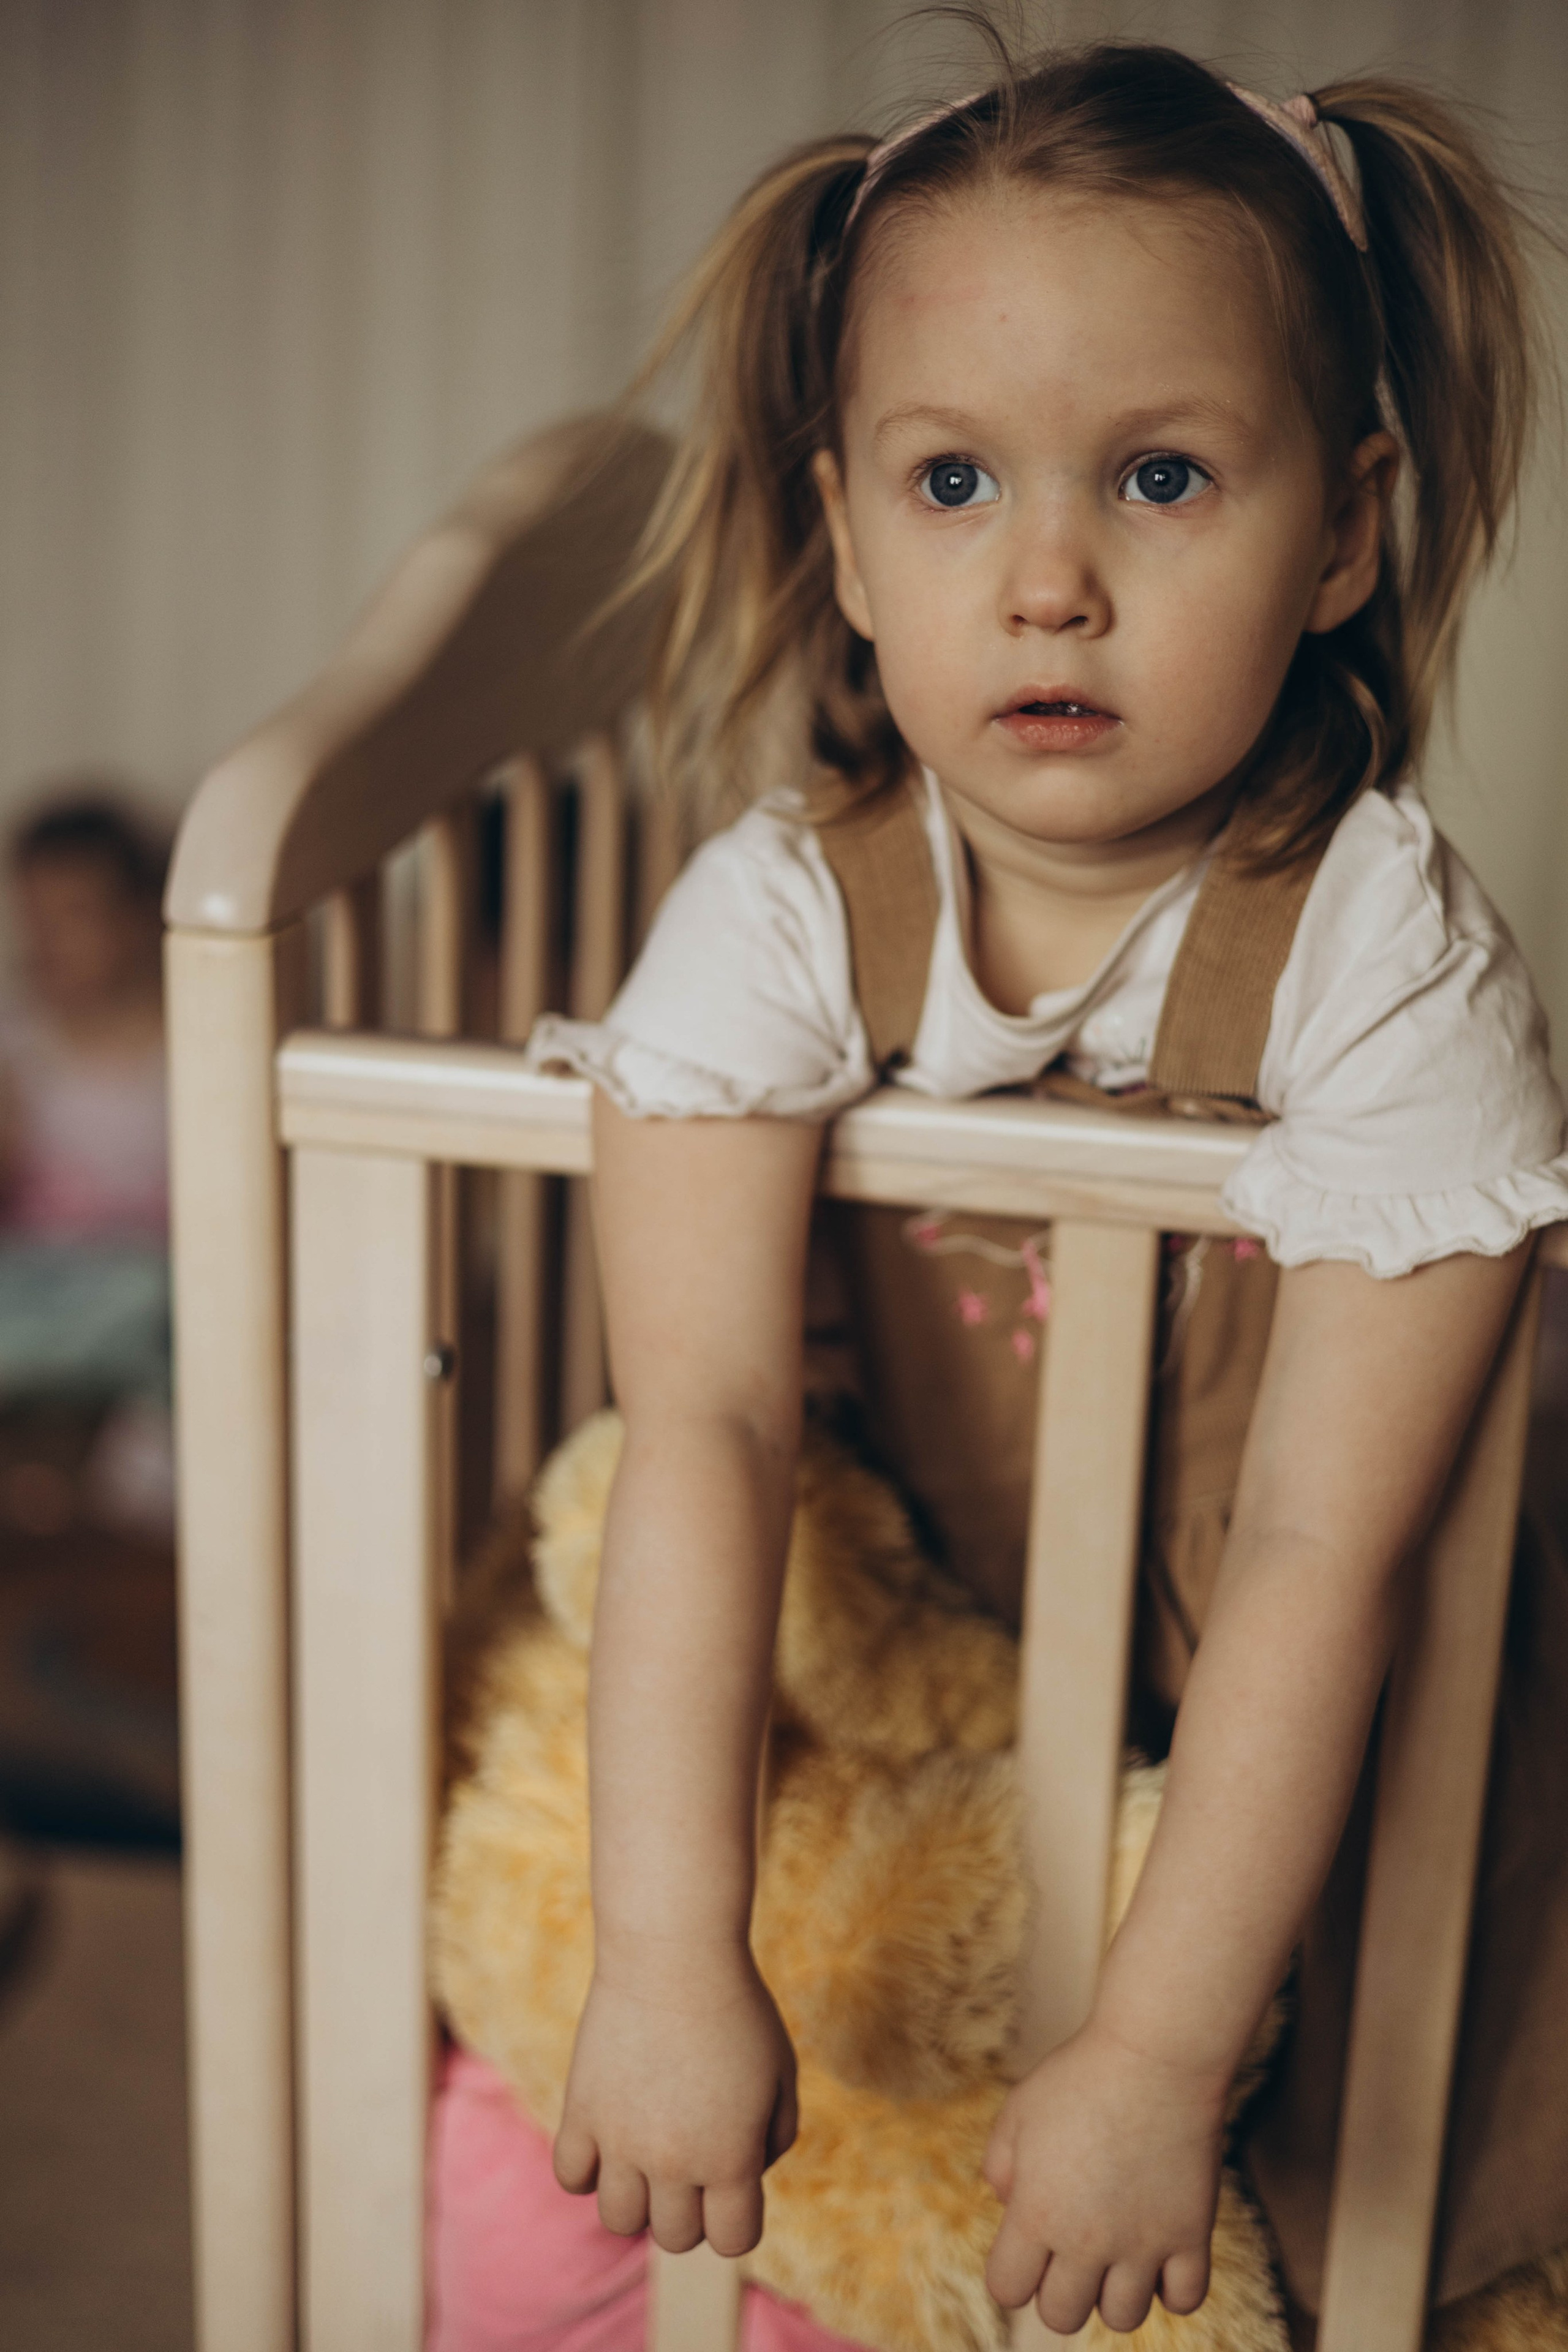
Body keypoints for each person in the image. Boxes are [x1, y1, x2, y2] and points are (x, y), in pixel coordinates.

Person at [429, 33, 1568, 2349]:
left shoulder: (1383, 957)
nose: (1045, 580)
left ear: (1337, 528)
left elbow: (1321, 1549)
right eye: (951, 482)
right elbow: (710, 1431)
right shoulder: (771, 919)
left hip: (1289, 1689)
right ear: (842, 535)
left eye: (1157, 475)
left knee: (1377, 2159)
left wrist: (1154, 2056)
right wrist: (667, 1955)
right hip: (941, 1633)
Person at [0, 791, 173, 1536]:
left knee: (175, 1305)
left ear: (137, 916)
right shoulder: (20, 1045)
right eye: (33, 918)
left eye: (74, 917)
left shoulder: (188, 1041)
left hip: (147, 1282)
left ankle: (136, 1481)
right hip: (43, 1281)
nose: (47, 943)